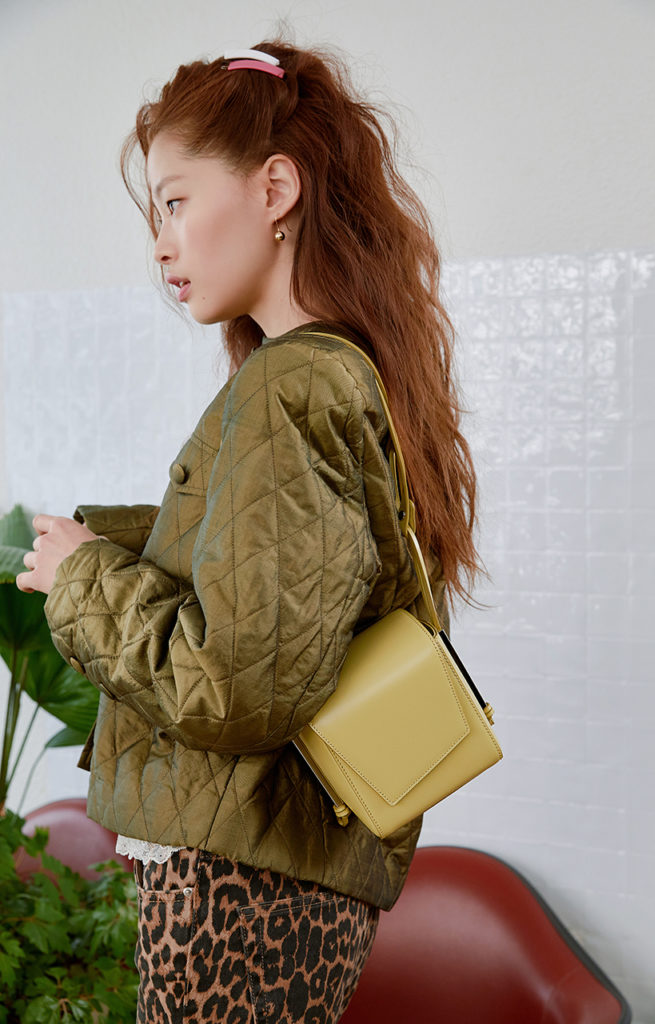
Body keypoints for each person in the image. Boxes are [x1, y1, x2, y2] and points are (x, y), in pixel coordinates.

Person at [16, 39, 483, 1024]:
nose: (160, 245)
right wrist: (106, 545)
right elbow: (278, 591)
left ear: (275, 188)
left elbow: (235, 686)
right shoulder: (344, 369)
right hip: (278, 874)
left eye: (176, 201)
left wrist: (84, 579)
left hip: (236, 888)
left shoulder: (292, 386)